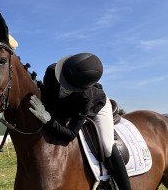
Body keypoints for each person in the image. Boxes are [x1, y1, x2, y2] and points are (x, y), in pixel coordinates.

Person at [29, 53, 131, 190]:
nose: (63, 86)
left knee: (107, 146)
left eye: (68, 86)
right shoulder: (52, 71)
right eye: (62, 79)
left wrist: (48, 119)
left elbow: (71, 134)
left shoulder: (85, 97)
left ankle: (124, 187)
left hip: (97, 107)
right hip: (65, 105)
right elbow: (48, 94)